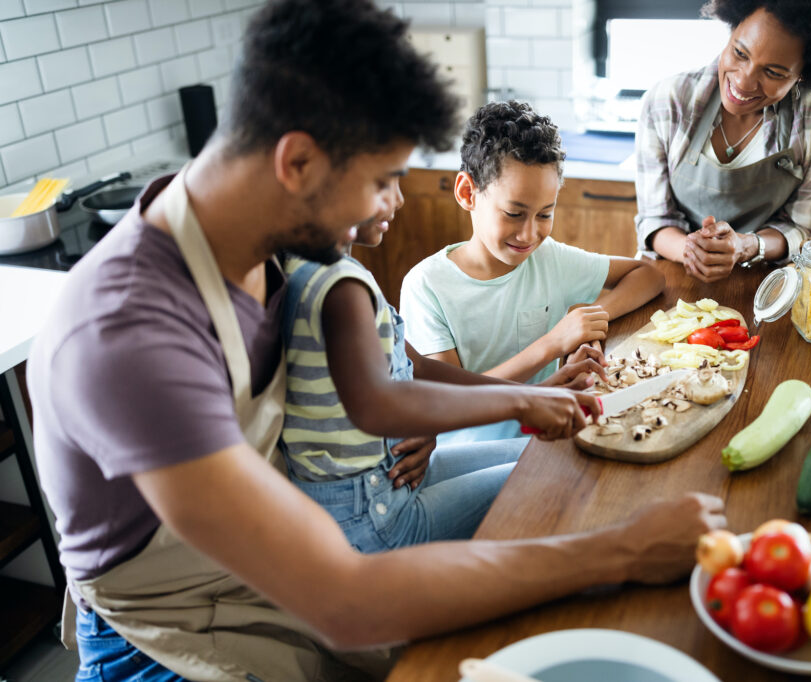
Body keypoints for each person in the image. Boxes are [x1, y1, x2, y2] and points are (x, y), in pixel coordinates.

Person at [27, 2, 726, 681]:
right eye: (382, 180)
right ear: (296, 163)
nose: (386, 205)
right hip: (174, 640)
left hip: (272, 569)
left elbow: (391, 380)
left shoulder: (261, 233)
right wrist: (625, 551)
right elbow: (346, 600)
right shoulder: (126, 337)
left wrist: (517, 398)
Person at [280, 178, 606, 552]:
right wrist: (525, 404)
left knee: (559, 452)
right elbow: (377, 406)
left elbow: (416, 366)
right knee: (563, 470)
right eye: (382, 181)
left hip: (388, 478)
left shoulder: (321, 267)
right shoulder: (340, 288)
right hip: (375, 517)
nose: (399, 199)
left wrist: (534, 393)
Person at [401, 100, 665, 442]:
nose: (529, 235)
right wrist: (553, 344)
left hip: (547, 436)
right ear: (468, 192)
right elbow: (451, 402)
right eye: (513, 213)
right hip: (469, 454)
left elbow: (649, 276)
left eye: (544, 215)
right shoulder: (427, 286)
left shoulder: (548, 259)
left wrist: (591, 315)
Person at [635, 0, 811, 282]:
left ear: (804, 74)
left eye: (773, 72)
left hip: (767, 283)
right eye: (740, 53)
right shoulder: (668, 100)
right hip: (673, 274)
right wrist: (691, 250)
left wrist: (746, 246)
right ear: (732, 26)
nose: (744, 82)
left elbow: (801, 228)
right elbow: (655, 219)